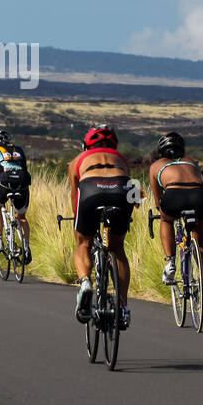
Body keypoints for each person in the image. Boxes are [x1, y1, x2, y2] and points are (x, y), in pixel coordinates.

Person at [68, 125, 134, 330]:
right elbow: (133, 189)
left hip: (90, 189)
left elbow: (75, 195)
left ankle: (86, 282)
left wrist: (77, 223)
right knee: (117, 248)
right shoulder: (121, 159)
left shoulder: (77, 160)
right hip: (121, 188)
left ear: (87, 144)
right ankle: (122, 307)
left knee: (83, 243)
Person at [148, 131, 203, 309]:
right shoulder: (192, 162)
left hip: (174, 195)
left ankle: (170, 263)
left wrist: (164, 211)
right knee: (202, 246)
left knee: (166, 219)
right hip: (200, 196)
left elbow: (157, 201)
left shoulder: (156, 166)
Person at [0, 129, 32, 264]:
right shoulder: (19, 149)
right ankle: (26, 247)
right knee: (21, 217)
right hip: (23, 184)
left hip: (4, 183)